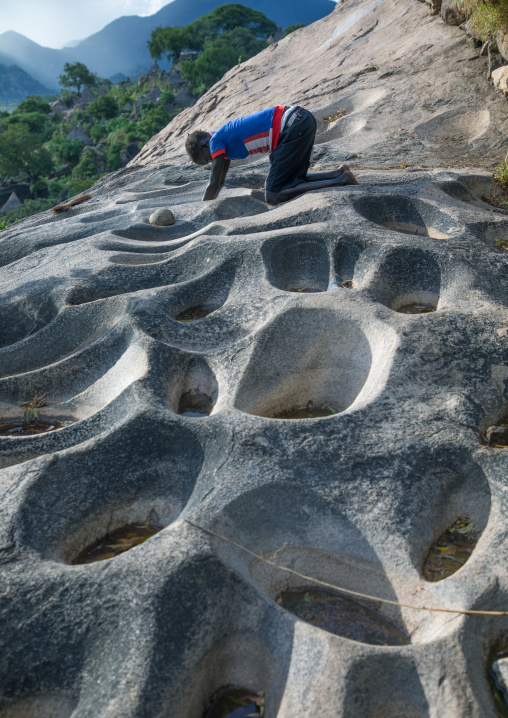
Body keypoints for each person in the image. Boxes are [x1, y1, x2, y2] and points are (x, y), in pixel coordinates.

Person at [185, 104, 358, 205]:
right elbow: (220, 181)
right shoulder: (223, 143)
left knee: (273, 194)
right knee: (290, 181)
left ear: (204, 145)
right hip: (298, 120)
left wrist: (202, 209)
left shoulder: (216, 141)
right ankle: (337, 173)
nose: (212, 161)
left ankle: (341, 181)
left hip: (291, 127)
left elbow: (213, 183)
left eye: (208, 158)